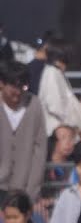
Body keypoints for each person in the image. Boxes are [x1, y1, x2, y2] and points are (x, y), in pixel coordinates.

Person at [0, 59, 48, 198]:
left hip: (23, 188)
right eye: (13, 87)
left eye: (23, 87)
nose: (18, 92)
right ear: (2, 84)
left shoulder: (34, 105)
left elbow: (40, 150)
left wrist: (32, 189)